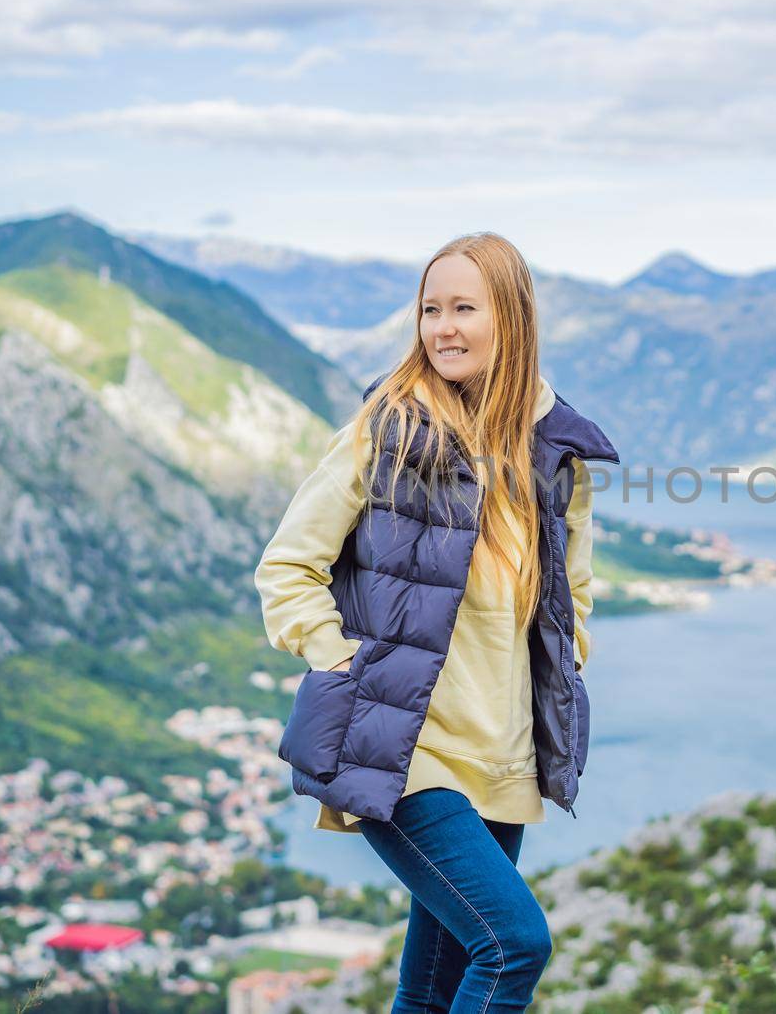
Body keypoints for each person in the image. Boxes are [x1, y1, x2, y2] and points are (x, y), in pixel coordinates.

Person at [253, 231, 619, 1012]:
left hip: (502, 753)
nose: (443, 327)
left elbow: (571, 598)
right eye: (430, 309)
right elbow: (287, 564)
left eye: (464, 308)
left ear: (511, 319)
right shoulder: (386, 429)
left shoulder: (557, 452)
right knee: (514, 943)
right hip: (399, 748)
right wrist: (334, 656)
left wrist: (561, 678)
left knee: (431, 987)